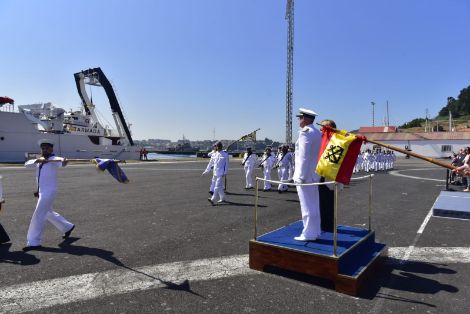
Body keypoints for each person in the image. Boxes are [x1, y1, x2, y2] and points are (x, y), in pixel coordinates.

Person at [23, 139, 75, 251]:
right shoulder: (40, 160)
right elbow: (26, 164)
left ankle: (33, 241)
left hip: (49, 191)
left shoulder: (53, 159)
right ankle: (67, 227)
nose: (44, 150)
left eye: (47, 148)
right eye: (43, 148)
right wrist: (38, 161)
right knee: (47, 213)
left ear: (52, 149)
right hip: (41, 191)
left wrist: (64, 161)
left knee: (39, 214)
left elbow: (61, 161)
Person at [293, 108, 322, 241]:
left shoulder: (305, 133)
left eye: (300, 118)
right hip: (314, 174)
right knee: (313, 204)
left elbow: (304, 157)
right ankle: (315, 231)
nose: (299, 120)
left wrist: (301, 176)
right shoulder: (316, 132)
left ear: (305, 118)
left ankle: (309, 233)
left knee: (306, 205)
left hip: (305, 176)